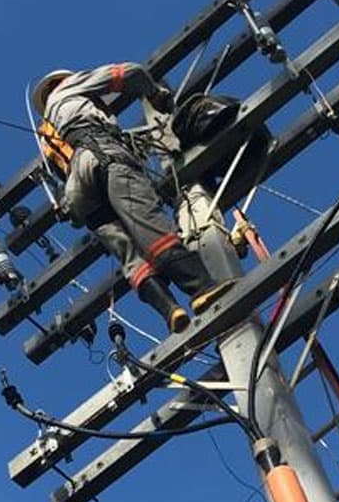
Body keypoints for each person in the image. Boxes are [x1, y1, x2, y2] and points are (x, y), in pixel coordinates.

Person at [32, 62, 235, 333]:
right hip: (102, 152)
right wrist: (153, 93)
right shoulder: (70, 87)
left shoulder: (46, 135)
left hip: (78, 189)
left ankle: (169, 309)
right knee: (147, 224)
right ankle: (201, 287)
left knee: (129, 254)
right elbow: (130, 73)